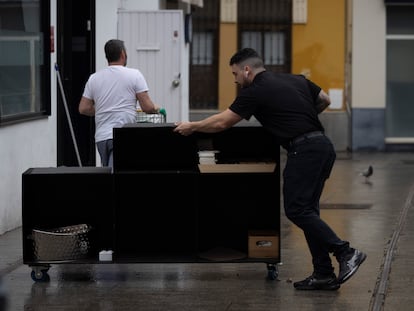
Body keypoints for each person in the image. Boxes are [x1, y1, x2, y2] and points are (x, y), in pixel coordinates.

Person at [174, 48, 366, 290]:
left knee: (297, 210)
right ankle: (323, 273)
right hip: (322, 146)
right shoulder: (296, 79)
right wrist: (299, 117)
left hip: (303, 151)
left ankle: (346, 252)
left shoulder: (254, 91)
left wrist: (193, 125)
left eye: (235, 74)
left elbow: (223, 121)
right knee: (308, 212)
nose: (234, 80)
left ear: (247, 70)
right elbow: (325, 99)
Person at [79, 39, 163, 167]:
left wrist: (103, 109)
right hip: (123, 134)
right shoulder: (134, 75)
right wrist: (155, 107)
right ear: (123, 54)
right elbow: (147, 107)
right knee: (118, 175)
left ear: (107, 56)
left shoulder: (94, 78)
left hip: (102, 138)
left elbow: (83, 108)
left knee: (108, 171)